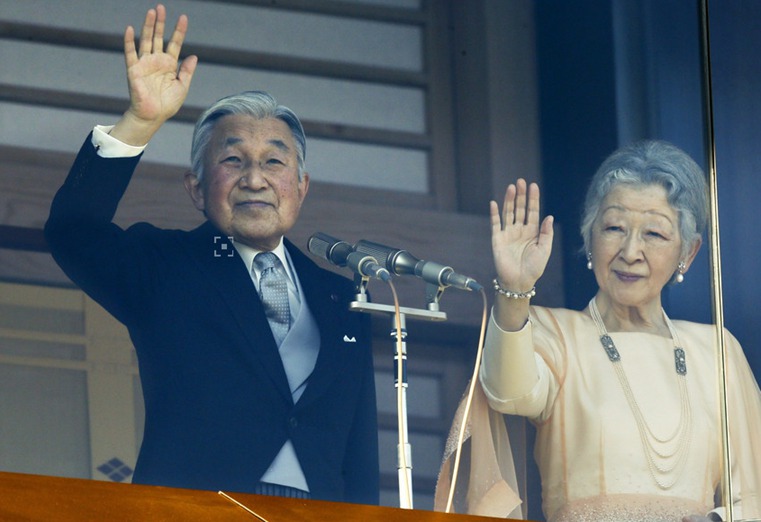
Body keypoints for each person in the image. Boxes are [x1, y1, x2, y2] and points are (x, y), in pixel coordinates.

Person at [44, 4, 379, 504]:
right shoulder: (166, 267)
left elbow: (359, 452)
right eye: (232, 159)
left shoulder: (340, 294)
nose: (255, 178)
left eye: (273, 161)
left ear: (301, 187)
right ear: (197, 189)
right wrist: (139, 122)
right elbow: (73, 231)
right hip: (193, 509)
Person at [436, 140, 761, 521]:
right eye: (614, 227)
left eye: (654, 234)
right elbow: (507, 393)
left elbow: (755, 496)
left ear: (687, 253)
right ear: (590, 237)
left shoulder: (717, 351)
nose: (630, 251)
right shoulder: (553, 332)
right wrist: (515, 290)